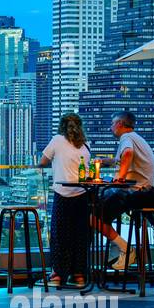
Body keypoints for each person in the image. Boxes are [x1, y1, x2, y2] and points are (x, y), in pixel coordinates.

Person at [93, 110, 154, 272]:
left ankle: (125, 249)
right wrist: (101, 161)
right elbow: (119, 160)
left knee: (93, 217)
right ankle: (116, 250)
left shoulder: (126, 138)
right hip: (146, 192)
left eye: (112, 123)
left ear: (120, 124)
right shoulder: (136, 138)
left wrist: (119, 178)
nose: (110, 127)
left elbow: (127, 154)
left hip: (135, 193)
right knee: (100, 210)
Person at [39, 113, 92, 288]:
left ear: (62, 126)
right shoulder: (85, 145)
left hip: (63, 194)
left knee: (59, 236)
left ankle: (57, 275)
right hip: (83, 194)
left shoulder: (57, 140)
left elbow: (43, 161)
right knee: (80, 236)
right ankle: (79, 276)